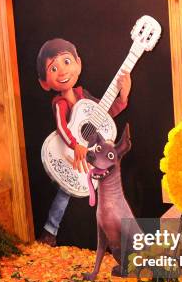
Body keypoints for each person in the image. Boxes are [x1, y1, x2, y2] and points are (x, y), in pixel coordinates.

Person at [36, 38, 131, 246]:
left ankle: (114, 235)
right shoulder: (60, 103)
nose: (62, 71)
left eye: (67, 62)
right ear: (45, 82)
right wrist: (75, 144)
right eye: (53, 68)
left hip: (94, 158)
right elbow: (62, 127)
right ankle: (50, 231)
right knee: (64, 194)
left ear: (78, 63)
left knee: (111, 194)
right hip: (72, 158)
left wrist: (122, 98)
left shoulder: (84, 96)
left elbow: (105, 114)